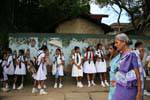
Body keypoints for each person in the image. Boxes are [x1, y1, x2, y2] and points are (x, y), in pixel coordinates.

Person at [113, 33, 142, 100]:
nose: (115, 45)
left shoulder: (132, 55)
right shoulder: (122, 54)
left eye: (117, 42)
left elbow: (138, 75)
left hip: (128, 90)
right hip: (119, 87)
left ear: (124, 42)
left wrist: (139, 92)